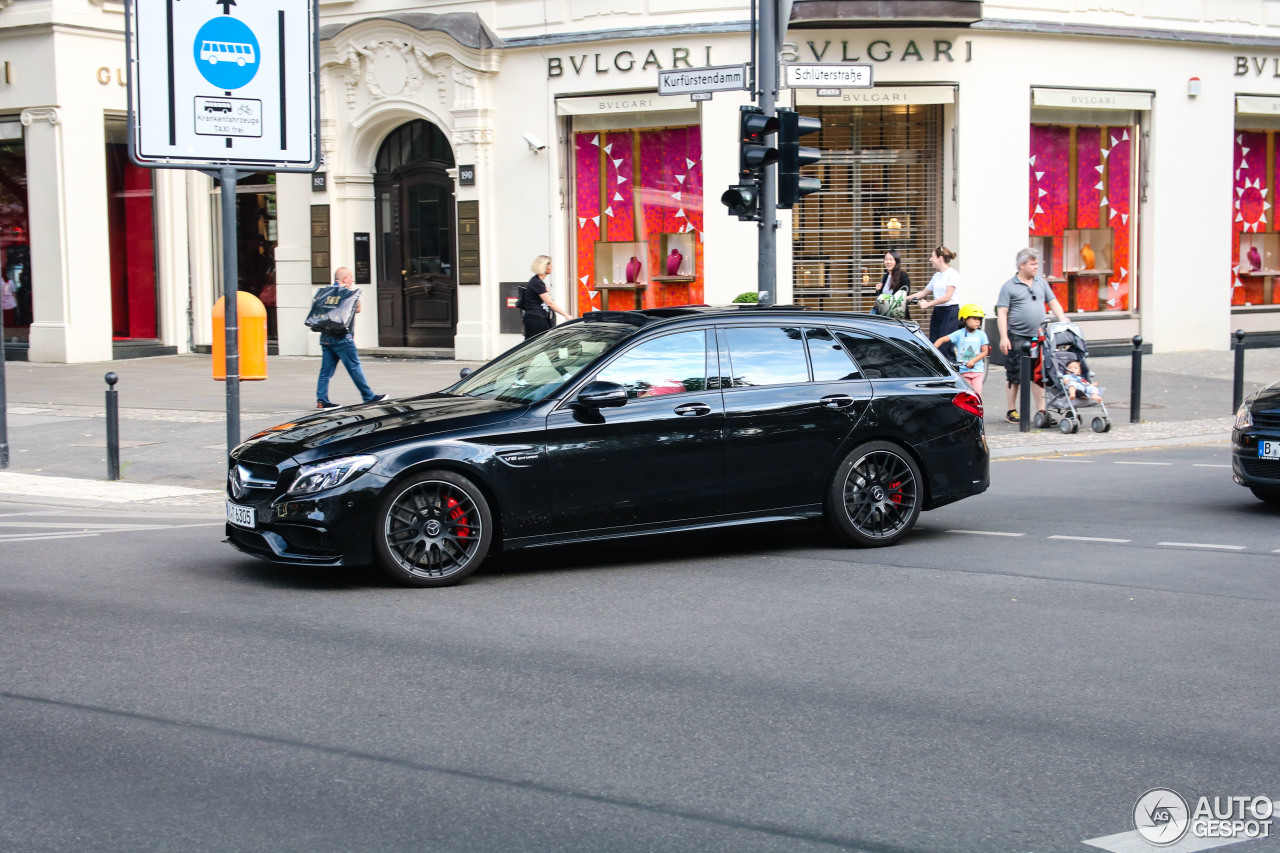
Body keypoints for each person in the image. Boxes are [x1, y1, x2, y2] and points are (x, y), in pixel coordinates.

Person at [996, 247, 1068, 424]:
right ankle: (1012, 411)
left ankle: (1041, 412)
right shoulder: (1009, 286)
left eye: (1037, 263)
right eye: (1033, 264)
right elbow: (1002, 313)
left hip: (1039, 336)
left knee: (1039, 374)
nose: (1037, 267)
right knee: (1014, 374)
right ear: (1022, 265)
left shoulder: (1041, 283)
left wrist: (1063, 319)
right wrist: (1004, 337)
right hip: (1017, 337)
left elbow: (1053, 302)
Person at [316, 266, 387, 409]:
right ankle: (368, 396)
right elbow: (358, 309)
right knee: (354, 367)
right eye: (351, 277)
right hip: (342, 339)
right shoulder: (347, 293)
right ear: (345, 279)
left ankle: (321, 400)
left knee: (325, 371)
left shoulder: (326, 292)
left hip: (326, 338)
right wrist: (353, 293)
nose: (353, 280)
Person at [908, 247, 962, 359]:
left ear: (940, 258)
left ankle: (951, 372)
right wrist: (903, 298)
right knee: (933, 343)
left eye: (932, 256)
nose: (930, 259)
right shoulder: (937, 276)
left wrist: (928, 304)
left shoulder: (952, 274)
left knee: (944, 347)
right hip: (938, 311)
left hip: (950, 312)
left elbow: (947, 297)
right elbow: (923, 292)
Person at [935, 304, 990, 400]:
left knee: (976, 396)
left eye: (979, 319)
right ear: (964, 319)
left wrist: (973, 360)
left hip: (977, 371)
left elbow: (985, 352)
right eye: (974, 318)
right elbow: (942, 340)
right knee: (965, 396)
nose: (977, 321)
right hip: (964, 372)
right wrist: (932, 350)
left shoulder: (981, 334)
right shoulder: (959, 334)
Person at [520, 255, 571, 339]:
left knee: (536, 345)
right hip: (536, 319)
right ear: (545, 266)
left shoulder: (537, 281)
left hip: (536, 318)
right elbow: (550, 303)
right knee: (539, 345)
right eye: (550, 265)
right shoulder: (537, 283)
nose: (552, 267)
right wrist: (566, 315)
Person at [871, 249, 911, 317]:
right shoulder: (885, 276)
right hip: (884, 315)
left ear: (896, 261)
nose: (888, 262)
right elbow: (883, 297)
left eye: (891, 259)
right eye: (886, 259)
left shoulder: (903, 276)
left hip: (896, 317)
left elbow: (903, 296)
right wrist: (878, 290)